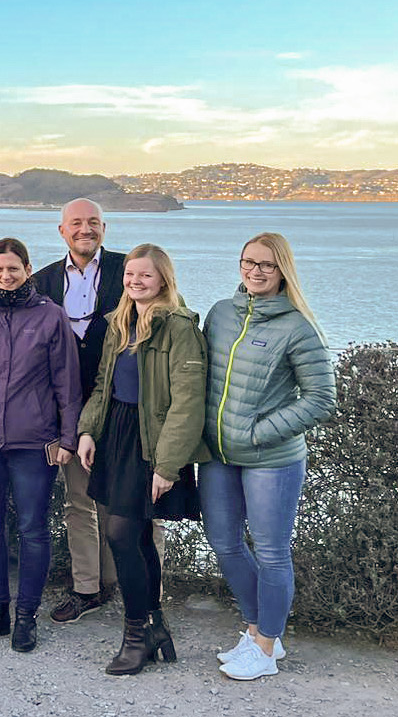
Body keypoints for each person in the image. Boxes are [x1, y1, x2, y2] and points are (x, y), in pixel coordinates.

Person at [200, 233, 336, 680]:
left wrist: (258, 433)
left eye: (267, 265)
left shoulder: (297, 327)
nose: (255, 271)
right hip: (219, 455)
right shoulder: (221, 314)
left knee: (274, 553)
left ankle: (265, 646)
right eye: (248, 262)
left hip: (271, 459)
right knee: (224, 543)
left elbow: (321, 398)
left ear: (283, 271)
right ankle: (259, 631)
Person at [75, 245, 208, 675]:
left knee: (120, 534)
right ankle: (154, 624)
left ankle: (137, 635)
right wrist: (88, 430)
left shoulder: (179, 326)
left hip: (152, 441)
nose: (134, 281)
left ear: (163, 279)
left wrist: (168, 466)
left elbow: (188, 402)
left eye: (144, 276)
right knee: (137, 537)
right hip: (117, 433)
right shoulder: (120, 321)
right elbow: (103, 383)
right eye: (130, 274)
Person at [0, 238, 79, 653]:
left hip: (33, 442)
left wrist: (67, 438)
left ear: (28, 269)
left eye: (14, 269)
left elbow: (67, 384)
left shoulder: (51, 317)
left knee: (32, 528)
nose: (6, 276)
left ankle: (27, 615)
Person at [31, 198, 129, 625]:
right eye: (76, 223)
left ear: (104, 228)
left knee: (122, 499)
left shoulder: (132, 271)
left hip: (122, 405)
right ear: (62, 231)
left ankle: (123, 583)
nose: (84, 229)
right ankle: (86, 588)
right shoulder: (42, 281)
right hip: (65, 410)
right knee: (78, 501)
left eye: (92, 222)